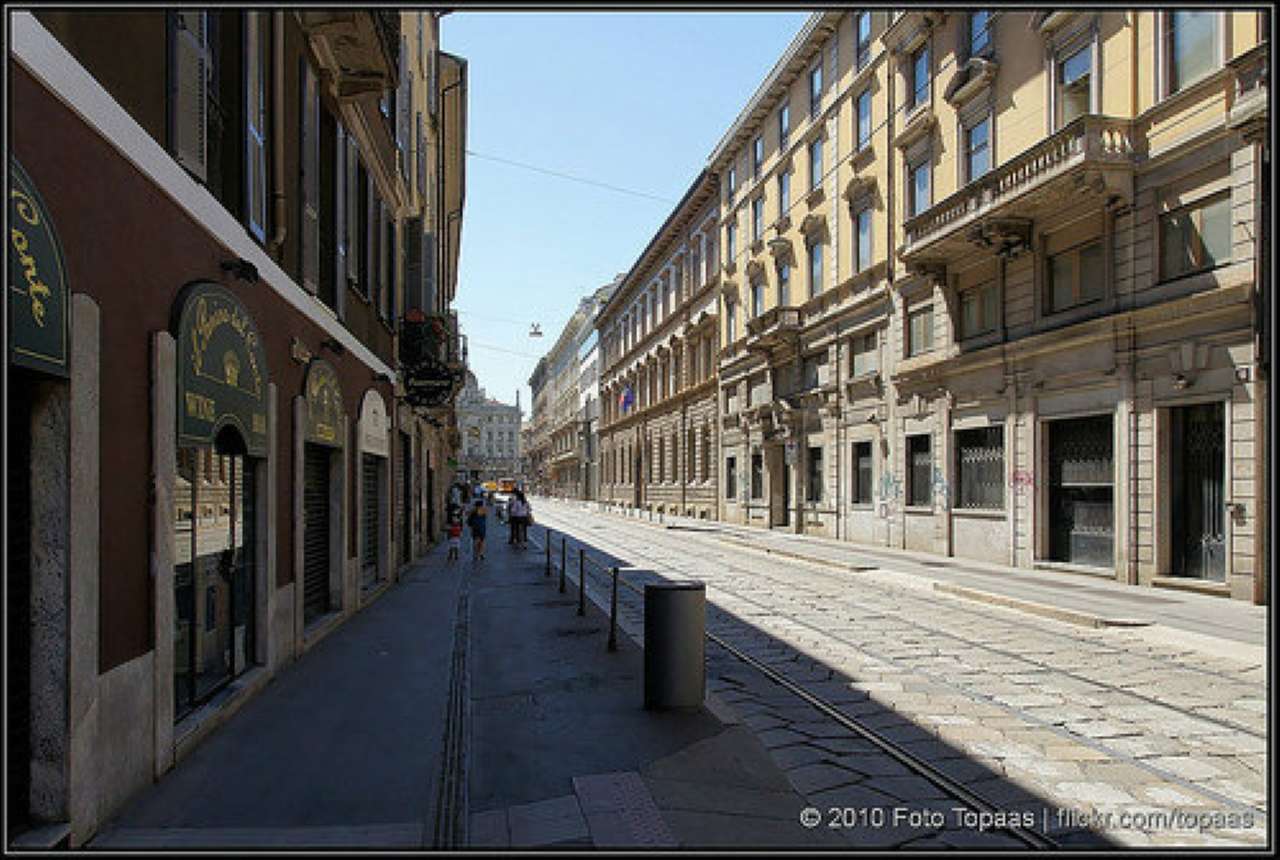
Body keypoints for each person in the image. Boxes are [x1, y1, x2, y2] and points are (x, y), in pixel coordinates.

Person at [467, 497, 488, 561]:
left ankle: (475, 554)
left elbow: (469, 521)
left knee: (475, 541)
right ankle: (481, 553)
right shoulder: (484, 511)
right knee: (481, 541)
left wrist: (470, 526)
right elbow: (485, 518)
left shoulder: (473, 511)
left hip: (475, 527)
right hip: (482, 527)